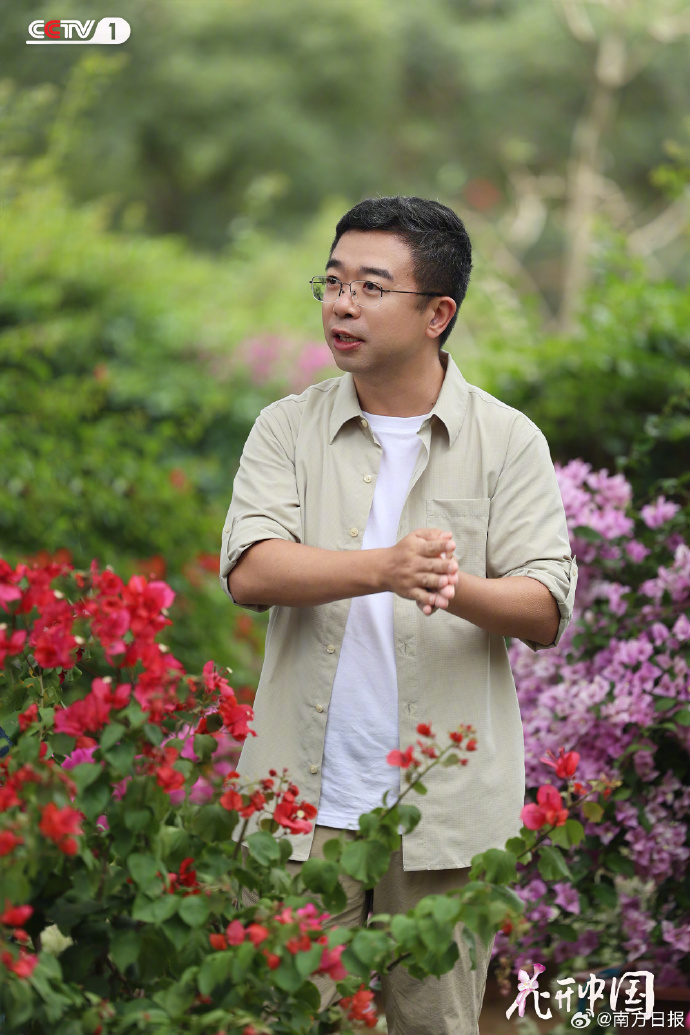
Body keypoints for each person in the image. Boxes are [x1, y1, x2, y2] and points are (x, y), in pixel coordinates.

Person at [219, 195, 578, 1035]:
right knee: (281, 1019)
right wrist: (383, 567)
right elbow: (251, 568)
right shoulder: (286, 428)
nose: (342, 305)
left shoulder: (508, 440)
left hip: (447, 818)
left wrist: (450, 582)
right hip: (301, 809)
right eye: (333, 282)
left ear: (437, 313)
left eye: (371, 287)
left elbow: (543, 605)